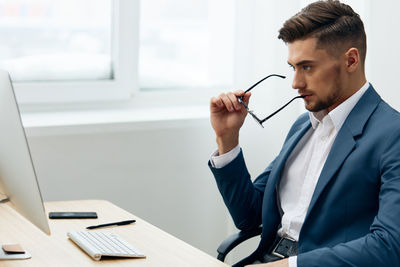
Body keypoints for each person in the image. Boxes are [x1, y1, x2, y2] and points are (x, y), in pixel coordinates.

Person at [208, 1, 400, 267]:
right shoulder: (303, 126)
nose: (296, 83)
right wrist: (227, 139)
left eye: (307, 67)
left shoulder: (393, 135)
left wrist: (288, 266)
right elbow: (249, 217)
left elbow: (389, 246)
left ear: (351, 60)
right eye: (293, 67)